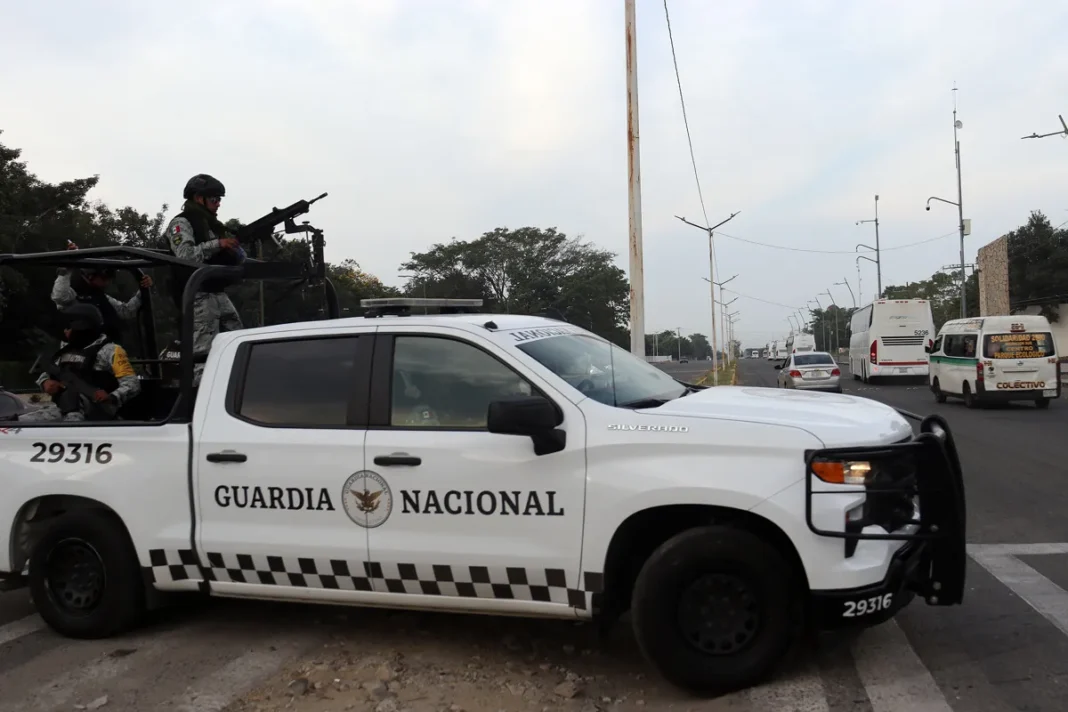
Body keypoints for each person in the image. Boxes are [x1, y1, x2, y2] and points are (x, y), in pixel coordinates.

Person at [161, 173, 245, 383]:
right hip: (196, 294)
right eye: (214, 199)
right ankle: (199, 396)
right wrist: (219, 244)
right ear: (199, 198)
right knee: (202, 357)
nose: (218, 204)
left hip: (216, 292)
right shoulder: (181, 223)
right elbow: (185, 256)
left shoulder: (212, 225)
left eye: (219, 199)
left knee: (238, 340)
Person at [20, 303, 141, 423]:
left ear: (82, 328)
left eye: (69, 327)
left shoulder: (111, 350)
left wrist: (112, 396)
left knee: (72, 420)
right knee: (19, 422)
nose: (65, 331)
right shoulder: (64, 349)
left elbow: (132, 383)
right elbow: (49, 372)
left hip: (98, 412)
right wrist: (45, 382)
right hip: (64, 407)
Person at [51, 242, 153, 344]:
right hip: (80, 351)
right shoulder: (73, 295)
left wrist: (143, 289)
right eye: (105, 276)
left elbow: (126, 311)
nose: (108, 281)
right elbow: (59, 296)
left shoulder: (102, 297)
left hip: (106, 349)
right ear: (90, 276)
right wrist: (68, 266)